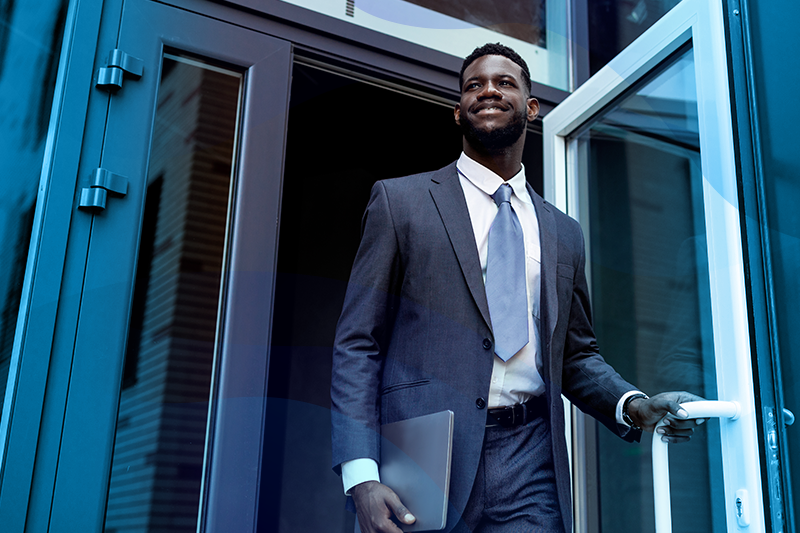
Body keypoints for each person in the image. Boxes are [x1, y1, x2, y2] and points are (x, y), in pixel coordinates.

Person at [330, 42, 704, 533]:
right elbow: (358, 343)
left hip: (530, 456)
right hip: (423, 455)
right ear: (458, 113)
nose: (487, 90)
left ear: (531, 106)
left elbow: (575, 356)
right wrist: (361, 474)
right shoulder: (401, 203)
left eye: (504, 82)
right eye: (473, 85)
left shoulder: (563, 232)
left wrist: (632, 404)